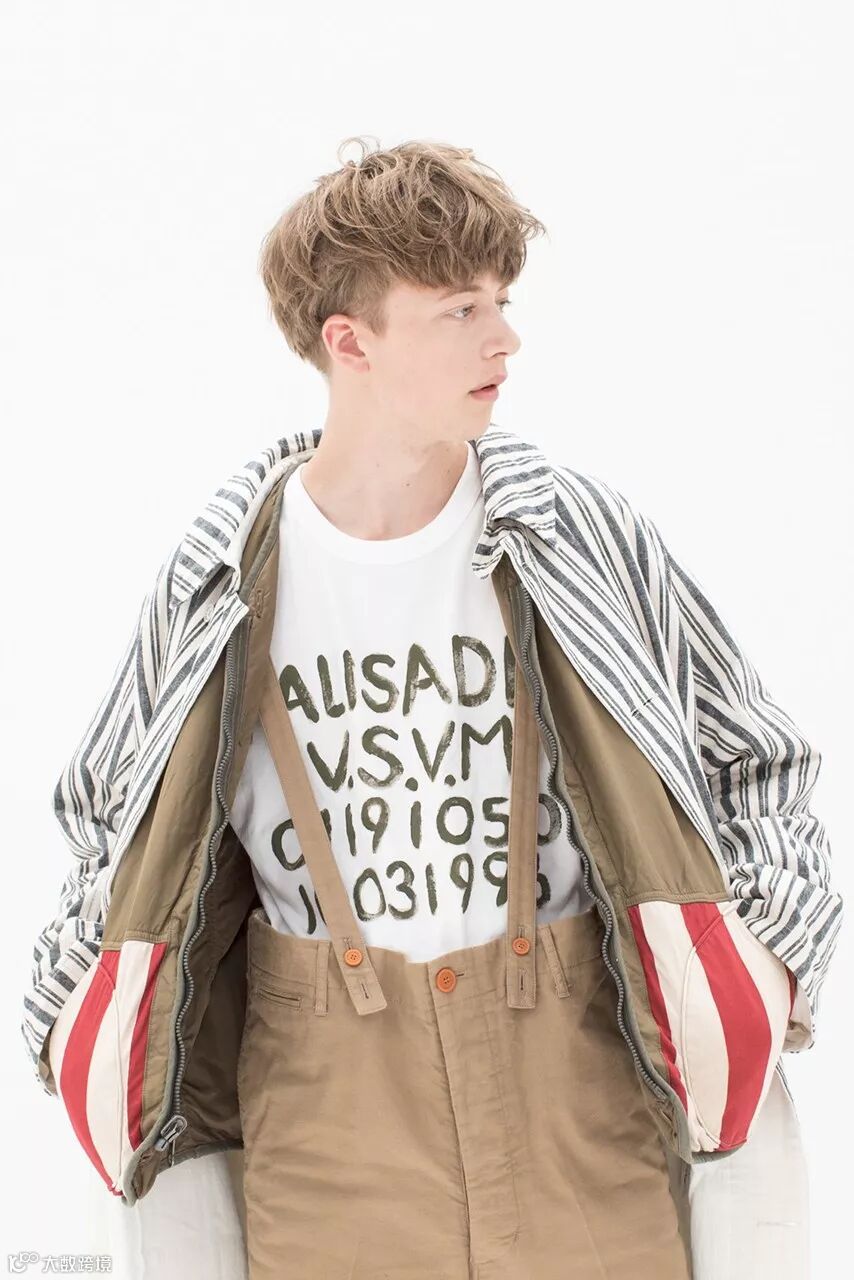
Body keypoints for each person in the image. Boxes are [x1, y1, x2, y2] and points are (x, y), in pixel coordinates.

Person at [25, 136, 838, 1279]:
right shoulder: (217, 579)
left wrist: (762, 966)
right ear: (347, 341)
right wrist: (63, 1016)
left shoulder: (577, 536)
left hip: (582, 1081)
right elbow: (106, 823)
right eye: (459, 309)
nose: (503, 338)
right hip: (324, 1111)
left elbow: (753, 758)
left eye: (501, 301)